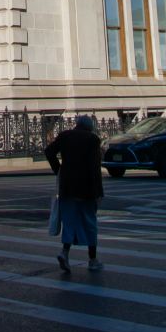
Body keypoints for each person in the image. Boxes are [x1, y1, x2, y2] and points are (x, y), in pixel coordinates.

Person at [45, 114, 104, 271]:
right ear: (90, 127)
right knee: (89, 222)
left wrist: (59, 170)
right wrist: (99, 191)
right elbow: (95, 168)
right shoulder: (92, 139)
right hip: (86, 189)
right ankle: (92, 259)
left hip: (68, 187)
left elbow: (49, 151)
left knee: (69, 222)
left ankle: (65, 252)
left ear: (77, 125)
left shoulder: (65, 136)